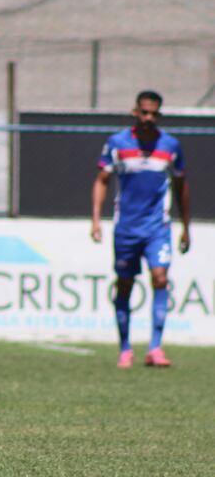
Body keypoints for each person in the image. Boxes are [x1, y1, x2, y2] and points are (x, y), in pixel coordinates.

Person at [91, 90, 190, 368]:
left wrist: (186, 226)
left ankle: (155, 348)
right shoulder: (117, 143)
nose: (149, 118)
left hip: (158, 227)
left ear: (159, 115)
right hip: (127, 228)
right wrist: (97, 219)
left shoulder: (170, 146)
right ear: (135, 112)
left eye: (154, 113)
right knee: (125, 283)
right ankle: (125, 348)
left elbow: (182, 186)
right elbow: (101, 180)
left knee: (160, 278)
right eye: (144, 112)